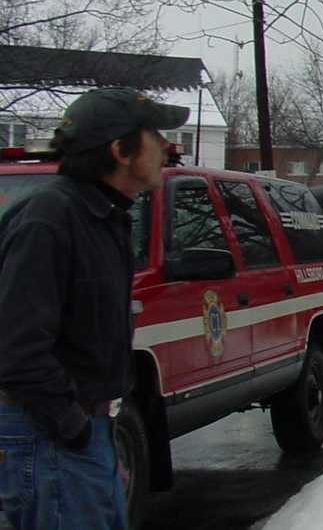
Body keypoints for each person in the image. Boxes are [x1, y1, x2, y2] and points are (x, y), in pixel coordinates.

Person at [0, 87, 189, 530]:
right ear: (120, 150)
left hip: (84, 430)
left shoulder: (104, 216)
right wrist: (76, 434)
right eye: (154, 134)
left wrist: (97, 440)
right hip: (47, 434)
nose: (166, 146)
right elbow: (16, 350)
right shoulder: (49, 220)